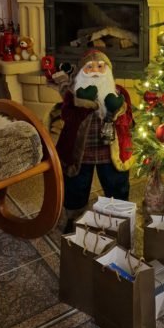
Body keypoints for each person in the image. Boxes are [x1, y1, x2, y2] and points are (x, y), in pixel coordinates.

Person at [52, 49, 134, 232]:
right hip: (81, 153)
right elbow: (67, 117)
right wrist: (83, 105)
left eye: (100, 66)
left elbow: (129, 120)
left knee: (116, 185)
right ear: (82, 71)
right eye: (89, 67)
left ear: (108, 71)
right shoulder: (73, 94)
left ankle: (119, 219)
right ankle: (74, 218)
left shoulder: (119, 92)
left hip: (110, 152)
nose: (95, 70)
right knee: (76, 187)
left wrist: (118, 111)